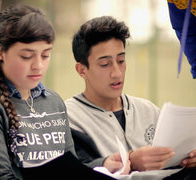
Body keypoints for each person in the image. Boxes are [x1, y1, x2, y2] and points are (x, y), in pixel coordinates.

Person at [0, 4, 129, 180]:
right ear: (0, 52)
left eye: (45, 55)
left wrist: (102, 165)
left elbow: (73, 167)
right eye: (26, 56)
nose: (38, 65)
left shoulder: (53, 101)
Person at [65, 16, 196, 178]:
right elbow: (75, 171)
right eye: (105, 64)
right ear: (81, 70)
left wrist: (190, 158)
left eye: (121, 60)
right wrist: (130, 163)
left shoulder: (148, 110)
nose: (117, 73)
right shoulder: (69, 119)